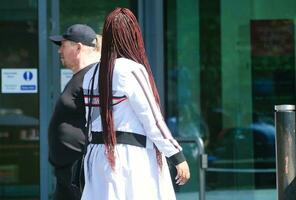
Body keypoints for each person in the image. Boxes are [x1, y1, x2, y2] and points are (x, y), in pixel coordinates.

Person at [81, 8, 190, 200]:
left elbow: (89, 122)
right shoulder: (130, 70)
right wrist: (176, 155)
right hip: (130, 158)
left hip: (96, 157)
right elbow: (152, 119)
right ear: (132, 35)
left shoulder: (90, 74)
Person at [48, 24, 101, 200]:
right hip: (67, 173)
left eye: (63, 45)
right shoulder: (81, 77)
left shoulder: (94, 77)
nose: (59, 51)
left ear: (78, 48)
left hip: (81, 172)